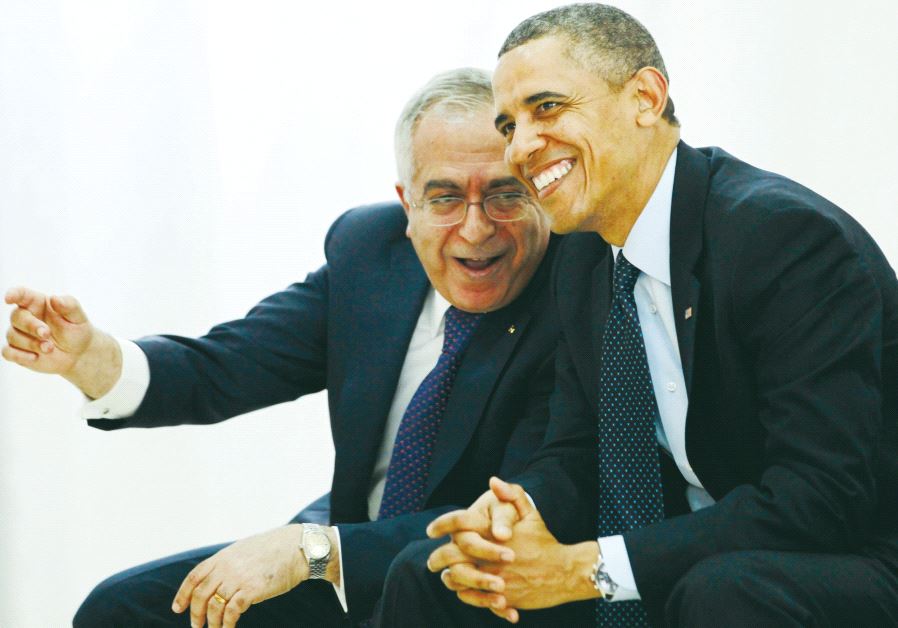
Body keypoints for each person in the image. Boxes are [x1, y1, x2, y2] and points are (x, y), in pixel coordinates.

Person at [378, 4, 898, 627]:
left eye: (546, 107)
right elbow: (577, 453)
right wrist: (517, 517)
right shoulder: (582, 260)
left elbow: (822, 499)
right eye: (508, 124)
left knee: (721, 592)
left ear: (646, 98)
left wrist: (588, 569)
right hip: (697, 548)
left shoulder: (781, 238)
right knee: (438, 574)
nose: (521, 146)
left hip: (853, 553)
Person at [2, 67, 559, 627]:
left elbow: (523, 513)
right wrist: (92, 357)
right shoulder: (371, 253)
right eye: (443, 198)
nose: (476, 228)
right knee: (122, 612)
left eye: (504, 194)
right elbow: (228, 365)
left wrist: (312, 550)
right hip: (341, 570)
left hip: (470, 592)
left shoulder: (575, 296)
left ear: (538, 192)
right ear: (406, 205)